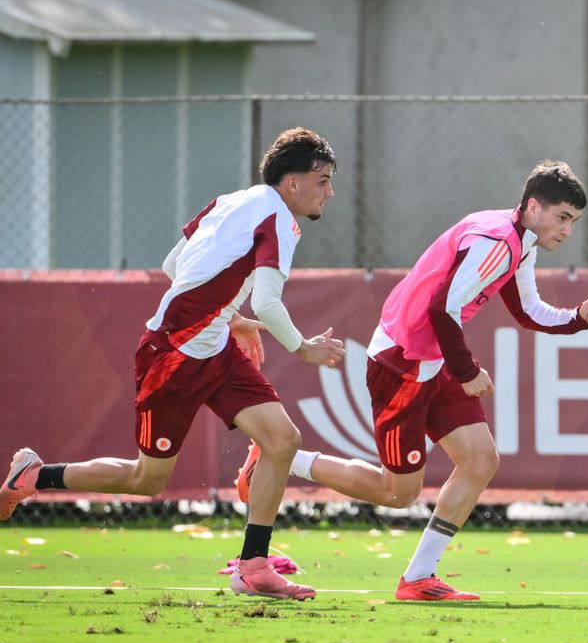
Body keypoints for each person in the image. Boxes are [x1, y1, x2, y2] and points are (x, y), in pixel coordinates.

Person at [235, 160, 588, 601]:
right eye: (562, 217)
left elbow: (527, 311)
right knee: (398, 494)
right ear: (532, 206)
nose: (567, 230)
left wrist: (577, 321)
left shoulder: (517, 240)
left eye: (574, 221)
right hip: (403, 363)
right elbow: (440, 309)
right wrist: (467, 372)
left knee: (480, 461)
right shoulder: (498, 242)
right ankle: (282, 461)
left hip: (433, 359)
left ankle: (418, 579)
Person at [1, 127, 346, 601]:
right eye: (323, 180)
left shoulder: (228, 201)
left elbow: (172, 264)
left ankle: (253, 567)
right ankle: (35, 476)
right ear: (292, 184)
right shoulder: (282, 222)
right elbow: (268, 302)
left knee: (282, 440)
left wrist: (228, 319)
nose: (329, 191)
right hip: (174, 356)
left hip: (213, 346)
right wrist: (302, 347)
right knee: (148, 480)